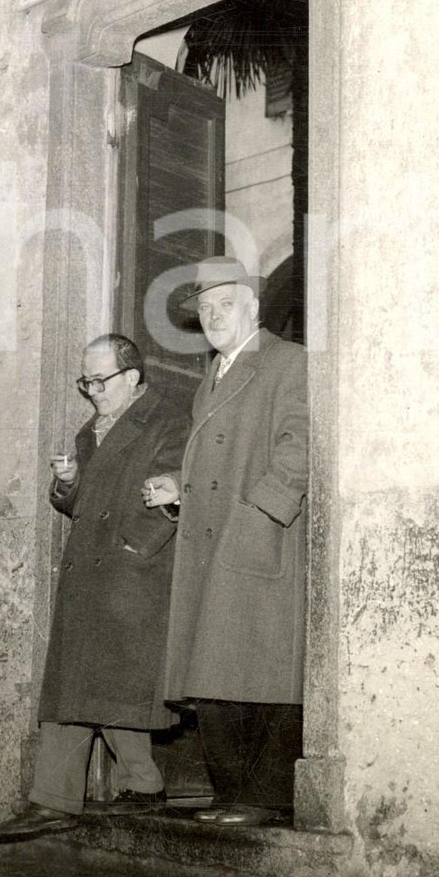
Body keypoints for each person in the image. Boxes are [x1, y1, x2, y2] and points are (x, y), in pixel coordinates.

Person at [0, 334, 189, 841]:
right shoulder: (94, 430)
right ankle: (141, 786)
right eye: (86, 381)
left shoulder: (167, 418)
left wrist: (136, 547)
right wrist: (68, 482)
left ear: (132, 377)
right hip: (93, 567)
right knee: (91, 681)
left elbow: (181, 482)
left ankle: (54, 800)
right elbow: (79, 502)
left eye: (100, 381)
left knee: (96, 681)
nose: (91, 391)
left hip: (132, 571)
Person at [143, 256, 308, 828]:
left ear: (254, 308)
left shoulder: (289, 363)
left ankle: (263, 798)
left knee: (262, 669)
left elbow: (301, 445)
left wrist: (260, 512)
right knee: (214, 671)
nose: (213, 316)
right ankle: (231, 794)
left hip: (260, 539)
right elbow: (212, 463)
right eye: (205, 308)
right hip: (212, 541)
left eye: (225, 304)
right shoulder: (209, 378)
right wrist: (180, 490)